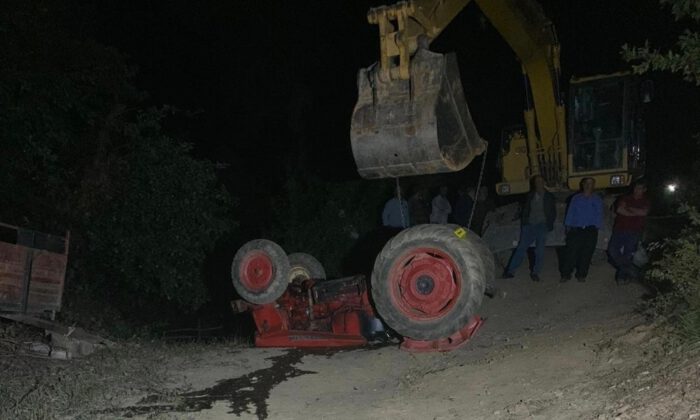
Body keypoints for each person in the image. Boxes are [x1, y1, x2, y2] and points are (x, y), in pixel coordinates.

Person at [503, 175, 557, 282]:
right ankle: (510, 271)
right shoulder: (530, 195)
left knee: (539, 250)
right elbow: (525, 210)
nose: (539, 184)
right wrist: (525, 223)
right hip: (529, 225)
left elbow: (552, 212)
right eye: (537, 182)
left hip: (542, 225)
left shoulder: (549, 196)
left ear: (544, 183)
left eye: (541, 181)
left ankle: (535, 272)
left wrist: (548, 225)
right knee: (521, 248)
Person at [560, 177, 604, 282]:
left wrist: (597, 228)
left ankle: (581, 275)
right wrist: (568, 226)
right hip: (576, 230)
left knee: (587, 253)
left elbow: (599, 214)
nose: (589, 186)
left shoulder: (597, 199)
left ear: (594, 186)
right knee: (571, 253)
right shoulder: (576, 198)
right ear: (583, 185)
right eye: (587, 183)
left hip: (590, 230)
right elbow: (570, 212)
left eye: (591, 184)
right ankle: (566, 275)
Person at [608, 180, 650, 284]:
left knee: (628, 253)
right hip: (620, 229)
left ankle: (621, 277)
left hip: (634, 231)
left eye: (640, 188)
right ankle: (631, 270)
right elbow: (620, 210)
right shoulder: (625, 198)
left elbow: (643, 212)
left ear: (644, 190)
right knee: (612, 250)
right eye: (636, 188)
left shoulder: (645, 201)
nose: (637, 190)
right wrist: (635, 212)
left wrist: (628, 209)